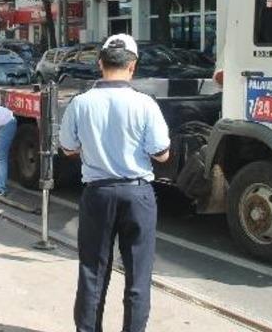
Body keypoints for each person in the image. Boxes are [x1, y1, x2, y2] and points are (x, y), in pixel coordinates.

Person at [59, 34, 170, 332]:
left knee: (92, 273)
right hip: (138, 194)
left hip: (97, 193)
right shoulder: (145, 104)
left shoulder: (80, 103)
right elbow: (161, 153)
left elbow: (67, 148)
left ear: (100, 64)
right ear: (133, 66)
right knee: (138, 277)